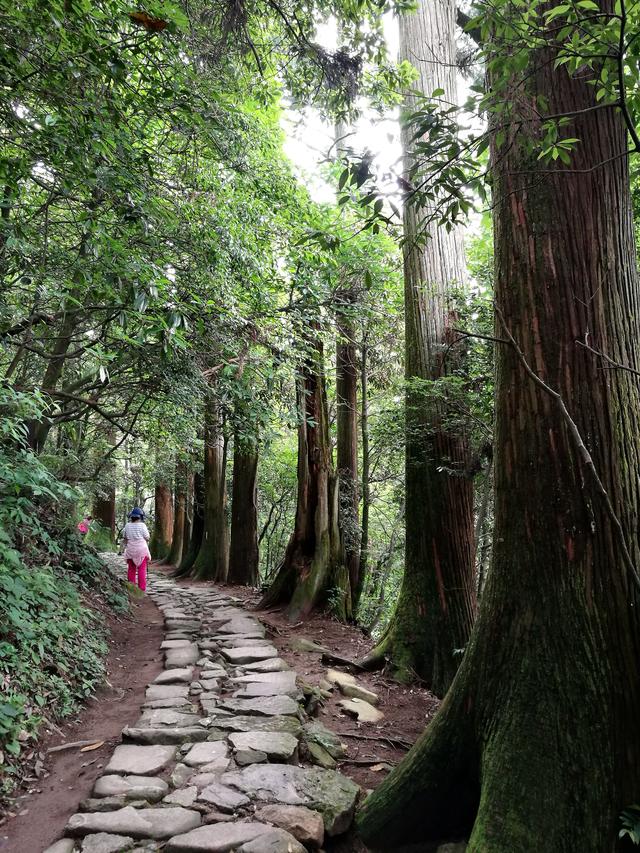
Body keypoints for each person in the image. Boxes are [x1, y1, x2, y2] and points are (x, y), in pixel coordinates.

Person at [122, 507, 151, 592]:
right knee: (142, 569)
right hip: (142, 550)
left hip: (131, 550)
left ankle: (131, 588)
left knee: (131, 569)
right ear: (140, 517)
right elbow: (147, 537)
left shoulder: (127, 526)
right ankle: (141, 589)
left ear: (131, 516)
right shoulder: (142, 526)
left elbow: (125, 537)